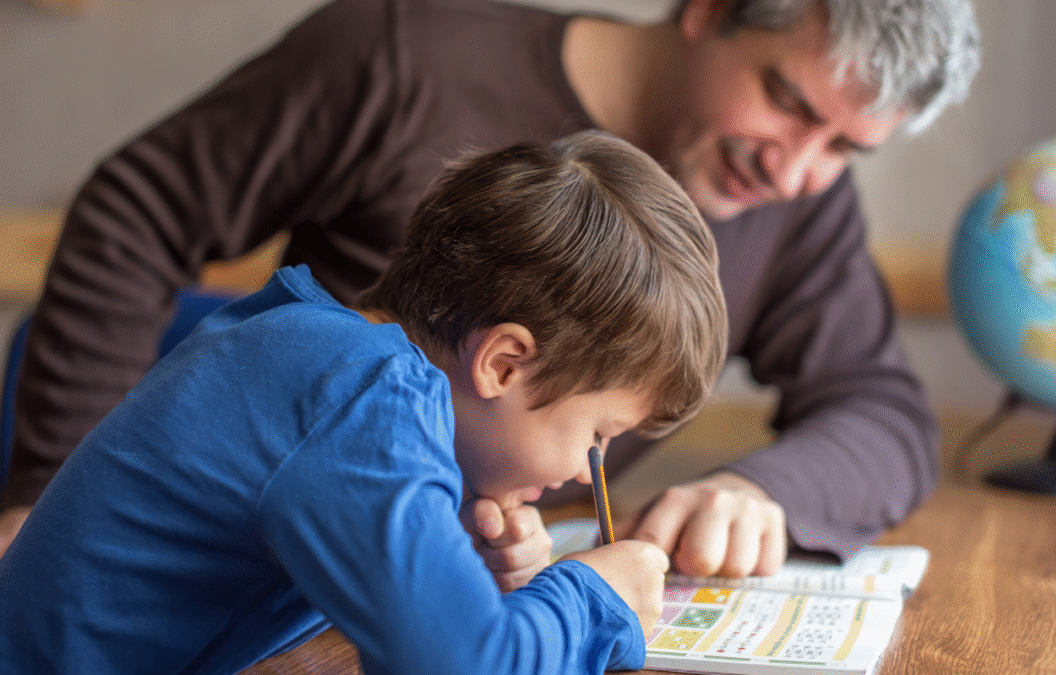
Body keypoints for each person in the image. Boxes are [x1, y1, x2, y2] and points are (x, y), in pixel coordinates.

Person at [0, 0, 981, 575]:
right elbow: (139, 211)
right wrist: (50, 493)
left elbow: (881, 407)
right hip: (255, 553)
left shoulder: (801, 198)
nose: (798, 172)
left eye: (847, 148)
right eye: (787, 102)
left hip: (435, 568)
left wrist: (760, 489)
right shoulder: (398, 54)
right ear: (710, 13)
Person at [0, 132, 728, 674]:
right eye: (597, 436)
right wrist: (589, 596)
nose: (583, 471)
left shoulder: (317, 346)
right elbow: (463, 666)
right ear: (504, 363)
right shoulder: (367, 395)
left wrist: (460, 564)